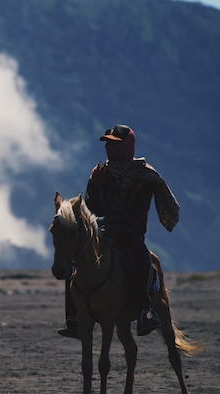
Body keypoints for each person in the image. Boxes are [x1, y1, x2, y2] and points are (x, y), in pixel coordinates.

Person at [58, 124, 180, 338]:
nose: (109, 147)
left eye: (114, 143)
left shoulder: (146, 175)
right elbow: (92, 205)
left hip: (132, 234)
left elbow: (168, 206)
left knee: (141, 260)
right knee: (76, 263)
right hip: (105, 229)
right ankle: (74, 318)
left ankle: (145, 311)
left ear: (127, 146)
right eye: (108, 143)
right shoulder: (100, 173)